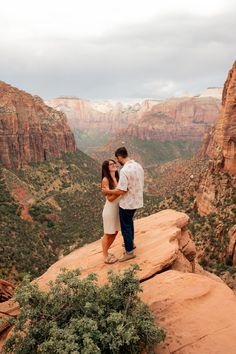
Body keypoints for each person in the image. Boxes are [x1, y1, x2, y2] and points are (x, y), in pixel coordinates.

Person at [102, 147, 144, 262]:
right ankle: (131, 243)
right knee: (129, 222)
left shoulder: (125, 170)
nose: (117, 162)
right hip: (137, 201)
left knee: (125, 226)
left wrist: (107, 191)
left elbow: (122, 191)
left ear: (119, 157)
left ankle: (129, 251)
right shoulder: (138, 166)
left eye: (117, 159)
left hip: (127, 203)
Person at [101, 159, 126, 264]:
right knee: (108, 233)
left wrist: (117, 191)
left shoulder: (117, 177)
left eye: (114, 163)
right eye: (111, 164)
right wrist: (120, 192)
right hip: (110, 210)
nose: (114, 165)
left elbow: (115, 193)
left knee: (115, 232)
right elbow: (110, 198)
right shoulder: (105, 180)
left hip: (116, 209)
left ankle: (106, 252)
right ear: (107, 167)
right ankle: (105, 255)